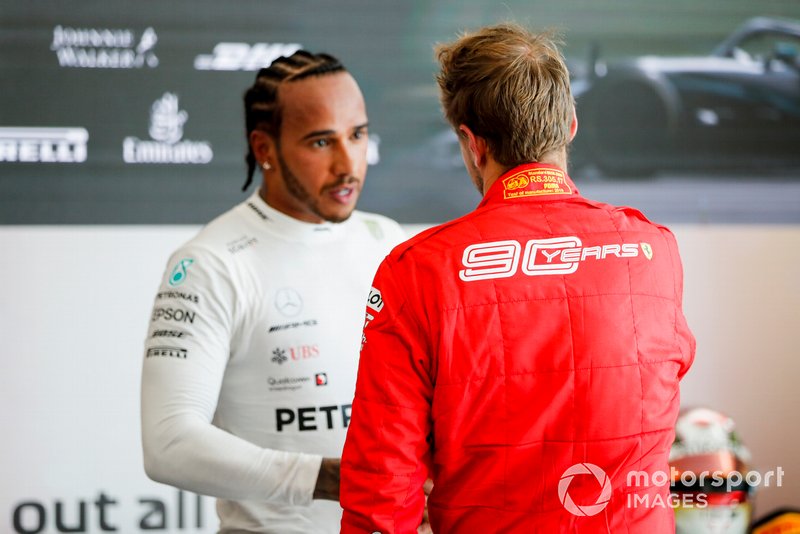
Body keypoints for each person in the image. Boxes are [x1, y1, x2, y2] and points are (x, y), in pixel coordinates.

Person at [340, 24, 696, 533]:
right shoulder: (653, 251)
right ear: (571, 125)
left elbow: (382, 486)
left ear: (471, 142)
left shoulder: (415, 271)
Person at [140, 50, 405, 534]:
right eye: (321, 141)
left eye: (358, 135)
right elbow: (168, 442)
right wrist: (331, 479)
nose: (348, 164)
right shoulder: (210, 263)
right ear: (264, 148)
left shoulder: (388, 242)